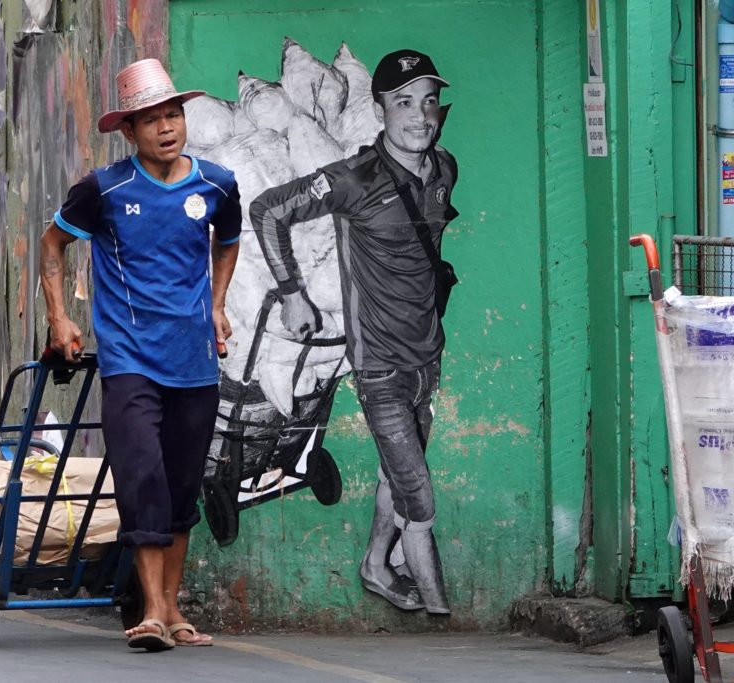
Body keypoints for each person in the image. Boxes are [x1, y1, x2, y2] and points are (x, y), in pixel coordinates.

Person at [39, 58, 242, 650]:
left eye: (173, 114)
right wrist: (59, 316)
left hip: (196, 362)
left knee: (181, 488)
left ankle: (172, 610)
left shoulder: (217, 183)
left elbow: (228, 240)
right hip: (130, 361)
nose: (166, 127)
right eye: (150, 120)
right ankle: (152, 610)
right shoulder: (105, 190)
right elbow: (53, 242)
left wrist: (219, 304)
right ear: (130, 131)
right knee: (143, 477)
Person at [248, 49, 457, 615]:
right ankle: (446, 622)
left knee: (398, 471)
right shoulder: (354, 178)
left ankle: (374, 565)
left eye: (430, 102)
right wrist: (293, 293)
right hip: (380, 365)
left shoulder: (443, 170)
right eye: (404, 103)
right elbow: (269, 210)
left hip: (426, 357)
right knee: (419, 499)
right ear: (380, 108)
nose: (420, 116)